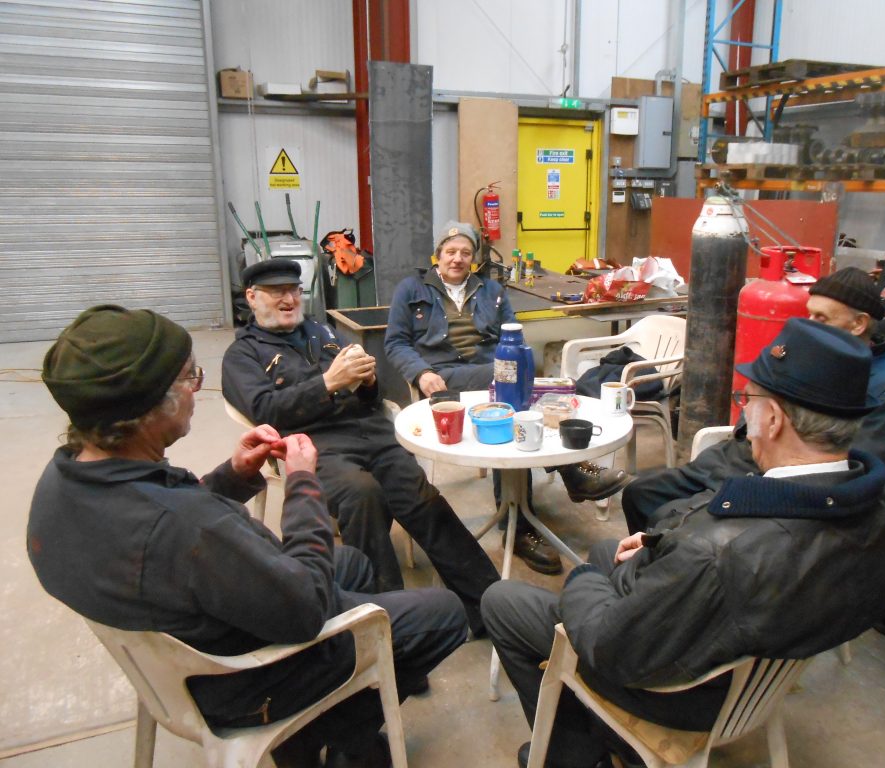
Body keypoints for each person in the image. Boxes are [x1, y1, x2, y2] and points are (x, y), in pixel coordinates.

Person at [28, 305, 468, 768]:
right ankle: (326, 731)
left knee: (354, 564)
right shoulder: (190, 526)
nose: (197, 389)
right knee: (442, 615)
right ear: (151, 406)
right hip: (238, 679)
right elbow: (306, 609)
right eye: (189, 378)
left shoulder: (63, 479)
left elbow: (165, 513)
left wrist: (232, 476)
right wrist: (301, 482)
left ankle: (343, 724)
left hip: (174, 645)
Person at [482, 319, 885, 768]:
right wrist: (661, 542)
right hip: (757, 660)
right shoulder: (876, 502)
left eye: (749, 401)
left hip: (687, 691)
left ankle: (570, 755)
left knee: (504, 600)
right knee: (610, 552)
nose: (745, 413)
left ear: (775, 419)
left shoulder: (718, 552)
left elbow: (610, 647)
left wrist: (582, 578)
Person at [222, 259, 499, 635]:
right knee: (362, 496)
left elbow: (375, 397)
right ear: (252, 298)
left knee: (424, 499)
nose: (287, 299)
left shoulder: (324, 332)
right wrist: (328, 382)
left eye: (292, 290)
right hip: (315, 443)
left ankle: (490, 607)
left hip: (371, 431)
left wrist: (368, 380)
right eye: (276, 293)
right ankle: (392, 628)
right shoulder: (242, 355)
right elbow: (265, 411)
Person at [384, 221, 629, 575]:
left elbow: (514, 334)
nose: (457, 259)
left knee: (521, 396)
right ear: (437, 254)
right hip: (446, 378)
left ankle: (524, 520)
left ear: (473, 258)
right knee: (514, 392)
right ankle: (568, 477)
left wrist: (518, 368)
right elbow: (395, 342)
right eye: (450, 252)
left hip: (491, 373)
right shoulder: (411, 289)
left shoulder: (491, 289)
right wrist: (420, 372)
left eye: (465, 253)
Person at [622, 265, 885, 535]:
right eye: (808, 314)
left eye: (821, 318)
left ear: (859, 324)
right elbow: (757, 398)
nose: (808, 324)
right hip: (732, 456)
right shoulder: (805, 353)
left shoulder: (883, 392)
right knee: (639, 494)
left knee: (672, 523)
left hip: (768, 475)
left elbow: (847, 473)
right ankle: (646, 566)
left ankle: (658, 567)